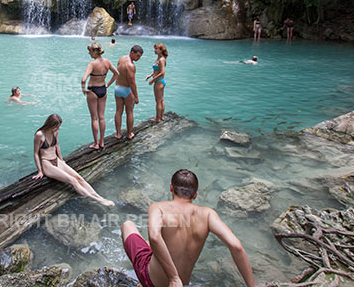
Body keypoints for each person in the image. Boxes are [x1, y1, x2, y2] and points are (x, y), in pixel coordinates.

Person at [121, 169, 256, 287]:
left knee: (128, 225)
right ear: (195, 194)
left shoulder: (158, 207)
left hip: (153, 281)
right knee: (150, 243)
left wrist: (174, 278)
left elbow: (155, 236)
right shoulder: (208, 214)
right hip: (183, 283)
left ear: (171, 188)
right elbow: (236, 246)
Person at [32, 114, 114, 206]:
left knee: (79, 178)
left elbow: (57, 146)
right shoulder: (39, 134)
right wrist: (40, 171)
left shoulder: (55, 132)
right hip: (47, 164)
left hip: (57, 160)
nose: (57, 128)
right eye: (56, 126)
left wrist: (61, 160)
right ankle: (98, 200)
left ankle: (100, 197)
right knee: (72, 180)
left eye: (58, 126)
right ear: (50, 125)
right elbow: (35, 153)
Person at [82, 42, 119, 149]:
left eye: (90, 52)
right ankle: (102, 142)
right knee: (102, 117)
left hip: (92, 90)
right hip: (103, 89)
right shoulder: (107, 62)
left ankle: (96, 143)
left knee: (94, 118)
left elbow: (84, 79)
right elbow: (117, 74)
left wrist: (83, 89)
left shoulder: (92, 64)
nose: (89, 54)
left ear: (94, 52)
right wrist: (108, 84)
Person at [115, 45, 143, 140]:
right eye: (137, 56)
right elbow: (132, 82)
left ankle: (118, 134)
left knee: (118, 111)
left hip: (117, 88)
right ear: (132, 52)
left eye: (140, 56)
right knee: (129, 112)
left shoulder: (121, 58)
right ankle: (129, 133)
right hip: (126, 90)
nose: (138, 58)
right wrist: (136, 97)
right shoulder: (131, 65)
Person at [146, 43, 168, 122]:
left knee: (158, 101)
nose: (155, 50)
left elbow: (162, 72)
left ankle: (157, 118)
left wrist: (153, 79)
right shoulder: (159, 58)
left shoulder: (161, 60)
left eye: (156, 49)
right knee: (161, 99)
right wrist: (150, 75)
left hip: (158, 82)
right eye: (154, 49)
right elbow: (157, 70)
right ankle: (162, 116)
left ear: (161, 50)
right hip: (160, 81)